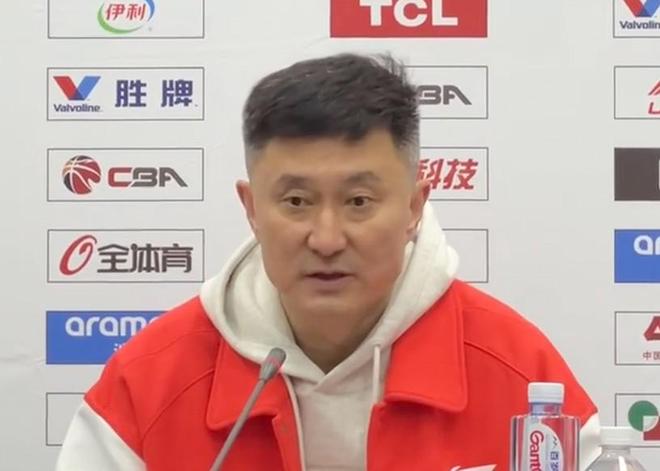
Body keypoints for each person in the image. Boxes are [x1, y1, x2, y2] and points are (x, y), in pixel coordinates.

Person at [56, 53, 600, 471]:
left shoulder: (521, 375)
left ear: (414, 207)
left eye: (359, 202)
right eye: (296, 202)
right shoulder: (149, 382)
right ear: (252, 209)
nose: (326, 238)